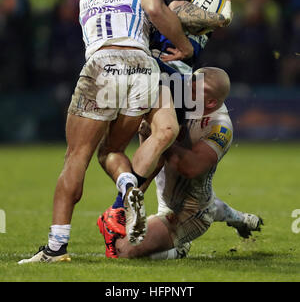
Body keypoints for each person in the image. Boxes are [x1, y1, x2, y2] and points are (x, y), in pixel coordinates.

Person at [18, 0, 197, 264]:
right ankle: (130, 189)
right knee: (111, 150)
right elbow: (155, 9)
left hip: (104, 63)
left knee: (77, 156)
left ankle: (56, 247)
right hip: (142, 68)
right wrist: (184, 45)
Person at [98, 67, 263, 259]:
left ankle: (179, 249)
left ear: (211, 102)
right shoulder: (180, 97)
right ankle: (235, 216)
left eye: (194, 91)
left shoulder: (220, 127)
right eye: (187, 84)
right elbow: (154, 157)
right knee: (119, 230)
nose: (186, 92)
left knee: (122, 251)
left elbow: (190, 167)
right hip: (171, 200)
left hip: (189, 213)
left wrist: (163, 136)